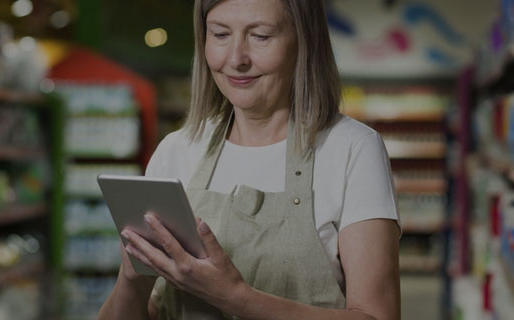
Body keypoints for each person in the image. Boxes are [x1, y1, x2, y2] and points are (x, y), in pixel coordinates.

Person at [98, 0, 401, 319]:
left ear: (303, 42)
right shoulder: (177, 151)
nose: (236, 59)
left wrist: (235, 297)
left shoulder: (352, 149)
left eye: (261, 36)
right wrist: (132, 281)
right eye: (220, 34)